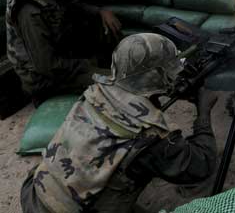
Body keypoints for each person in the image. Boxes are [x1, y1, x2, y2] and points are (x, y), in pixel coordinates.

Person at [20, 33, 218, 213]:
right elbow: (202, 166)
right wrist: (204, 112)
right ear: (157, 75)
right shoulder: (150, 134)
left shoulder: (95, 92)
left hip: (34, 193)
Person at [5, 0, 122, 106]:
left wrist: (101, 12)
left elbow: (73, 5)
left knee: (103, 27)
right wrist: (89, 65)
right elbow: (47, 66)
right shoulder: (29, 9)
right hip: (45, 80)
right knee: (116, 82)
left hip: (62, 60)